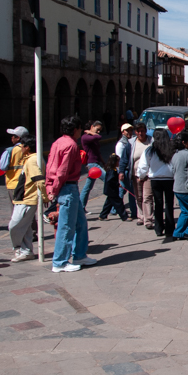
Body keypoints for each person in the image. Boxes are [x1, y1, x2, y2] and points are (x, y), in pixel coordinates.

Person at [46, 116, 96, 273]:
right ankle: (60, 261)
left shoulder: (58, 142)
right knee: (66, 226)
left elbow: (50, 165)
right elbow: (62, 170)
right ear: (75, 129)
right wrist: (53, 190)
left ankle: (80, 254)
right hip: (67, 187)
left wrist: (49, 186)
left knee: (80, 223)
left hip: (67, 187)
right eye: (80, 129)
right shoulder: (71, 145)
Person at [8, 134, 47, 262]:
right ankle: (26, 251)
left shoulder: (32, 160)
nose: (21, 148)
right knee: (25, 227)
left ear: (27, 147)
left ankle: (19, 247)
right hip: (23, 197)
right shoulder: (29, 159)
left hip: (27, 198)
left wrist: (45, 196)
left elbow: (39, 180)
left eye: (22, 146)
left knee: (15, 225)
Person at [136, 128, 175, 239]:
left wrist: (141, 176)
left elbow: (143, 166)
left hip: (155, 179)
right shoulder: (172, 150)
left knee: (158, 204)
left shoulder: (149, 151)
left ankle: (158, 228)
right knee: (169, 204)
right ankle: (169, 228)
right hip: (169, 179)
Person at [3, 125, 38, 237]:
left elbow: (2, 167)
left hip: (13, 184)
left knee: (17, 211)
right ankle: (32, 232)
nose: (11, 138)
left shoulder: (10, 150)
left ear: (18, 138)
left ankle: (20, 233)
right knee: (29, 209)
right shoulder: (31, 150)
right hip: (28, 183)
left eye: (13, 136)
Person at [131, 123, 154, 229]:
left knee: (147, 197)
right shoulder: (131, 143)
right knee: (138, 196)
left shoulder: (151, 141)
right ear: (135, 132)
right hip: (135, 174)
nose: (141, 133)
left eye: (143, 131)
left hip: (149, 174)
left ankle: (148, 219)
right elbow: (126, 158)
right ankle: (141, 216)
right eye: (138, 131)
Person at [79, 121, 104, 209]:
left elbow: (97, 151)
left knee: (88, 187)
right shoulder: (85, 137)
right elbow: (99, 137)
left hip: (96, 163)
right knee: (109, 181)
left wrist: (103, 162)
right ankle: (113, 207)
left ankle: (81, 207)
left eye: (100, 130)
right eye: (97, 129)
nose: (98, 132)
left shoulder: (93, 137)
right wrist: (91, 133)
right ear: (92, 126)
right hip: (92, 164)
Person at [99, 153, 128, 222]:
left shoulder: (112, 169)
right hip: (112, 191)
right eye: (118, 161)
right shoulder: (112, 171)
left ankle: (103, 215)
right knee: (119, 203)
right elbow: (110, 180)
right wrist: (117, 184)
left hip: (110, 191)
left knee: (108, 204)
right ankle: (124, 216)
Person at [116, 124, 137, 219]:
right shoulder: (121, 144)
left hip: (129, 170)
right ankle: (132, 211)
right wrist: (121, 171)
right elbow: (122, 159)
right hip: (125, 171)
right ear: (122, 132)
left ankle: (115, 208)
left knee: (122, 191)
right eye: (127, 130)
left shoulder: (132, 141)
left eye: (130, 130)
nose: (129, 132)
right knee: (129, 191)